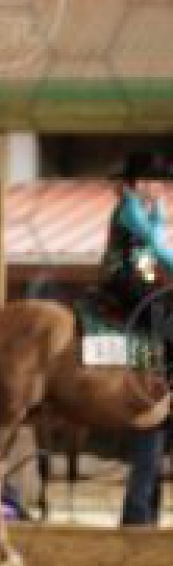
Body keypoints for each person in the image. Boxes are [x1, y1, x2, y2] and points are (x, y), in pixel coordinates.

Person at [102, 150, 173, 527]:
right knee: (160, 311)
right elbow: (156, 250)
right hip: (123, 279)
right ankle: (158, 376)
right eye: (151, 181)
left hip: (143, 277)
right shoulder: (130, 211)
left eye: (161, 182)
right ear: (136, 183)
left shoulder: (149, 211)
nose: (158, 188)